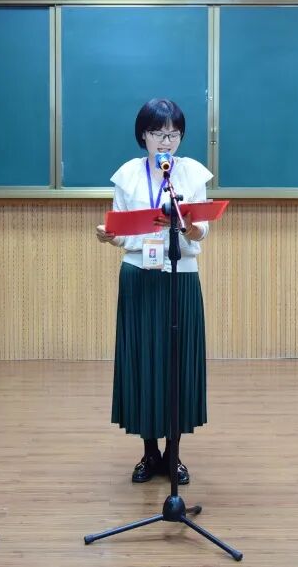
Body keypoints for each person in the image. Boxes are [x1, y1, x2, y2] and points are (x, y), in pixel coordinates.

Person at [95, 98, 213, 486]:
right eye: (158, 133)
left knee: (178, 362)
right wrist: (111, 236)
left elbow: (202, 230)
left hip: (181, 274)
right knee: (144, 360)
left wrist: (188, 227)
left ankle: (174, 453)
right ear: (142, 135)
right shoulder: (127, 175)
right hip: (140, 275)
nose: (166, 142)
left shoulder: (192, 173)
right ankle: (149, 453)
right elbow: (121, 230)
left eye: (173, 134)